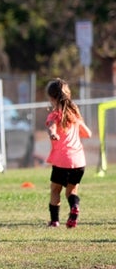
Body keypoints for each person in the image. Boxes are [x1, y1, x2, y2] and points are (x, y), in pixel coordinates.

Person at [45, 78, 91, 228]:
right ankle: (74, 208)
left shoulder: (54, 115)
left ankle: (54, 221)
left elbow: (52, 127)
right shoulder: (74, 116)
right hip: (79, 162)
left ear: (52, 98)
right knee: (71, 191)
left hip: (62, 160)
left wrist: (53, 134)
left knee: (55, 189)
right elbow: (88, 134)